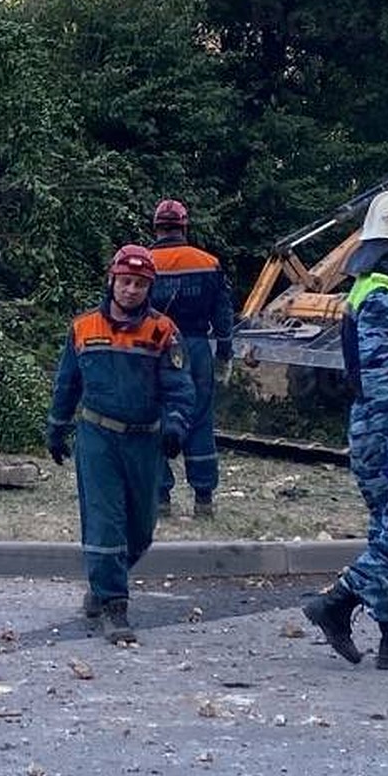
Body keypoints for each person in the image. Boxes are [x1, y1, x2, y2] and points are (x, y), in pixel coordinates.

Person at [302, 188, 388, 669]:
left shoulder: (378, 287)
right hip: (385, 424)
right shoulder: (383, 295)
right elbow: (382, 373)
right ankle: (338, 602)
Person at [46, 244, 195, 644]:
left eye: (140, 284)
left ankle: (102, 580)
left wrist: (176, 427)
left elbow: (179, 387)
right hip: (97, 437)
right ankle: (114, 606)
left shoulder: (163, 332)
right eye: (125, 282)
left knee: (141, 529)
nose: (131, 290)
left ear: (149, 288)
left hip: (144, 440)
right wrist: (56, 428)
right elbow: (67, 383)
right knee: (105, 519)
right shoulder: (83, 328)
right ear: (112, 281)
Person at [147, 198, 234, 518]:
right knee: (199, 420)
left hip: (154, 348)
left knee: (154, 419)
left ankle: (160, 499)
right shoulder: (207, 262)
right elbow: (223, 313)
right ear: (184, 227)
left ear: (156, 227)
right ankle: (203, 500)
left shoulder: (142, 263)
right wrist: (225, 352)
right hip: (197, 349)